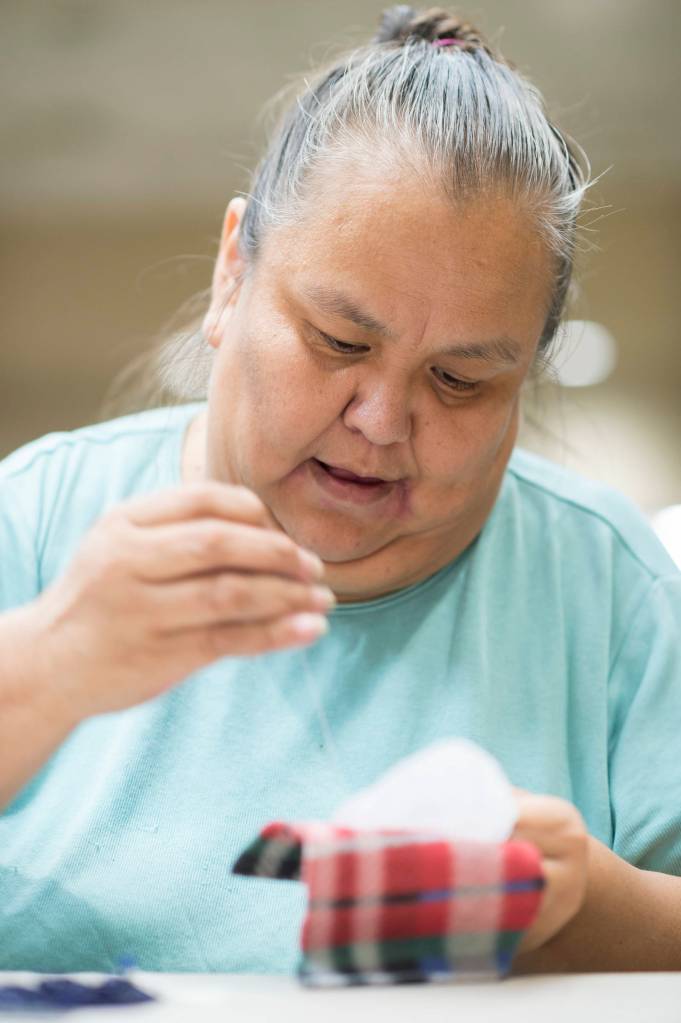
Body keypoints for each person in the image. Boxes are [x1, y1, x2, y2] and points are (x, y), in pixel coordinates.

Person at [1, 5, 680, 976]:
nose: (381, 420)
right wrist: (53, 661)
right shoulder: (32, 516)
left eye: (461, 380)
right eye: (339, 342)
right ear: (234, 274)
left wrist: (585, 910)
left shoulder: (607, 584)